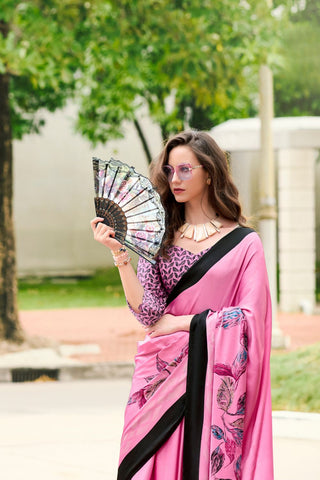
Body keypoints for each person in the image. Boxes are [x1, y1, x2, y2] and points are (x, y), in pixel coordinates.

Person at [90, 130, 274, 480]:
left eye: (185, 169)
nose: (175, 179)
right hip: (159, 375)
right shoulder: (158, 236)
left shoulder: (245, 243)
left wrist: (185, 323)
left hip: (212, 376)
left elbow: (252, 321)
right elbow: (148, 313)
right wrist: (119, 253)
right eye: (170, 171)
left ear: (209, 172)